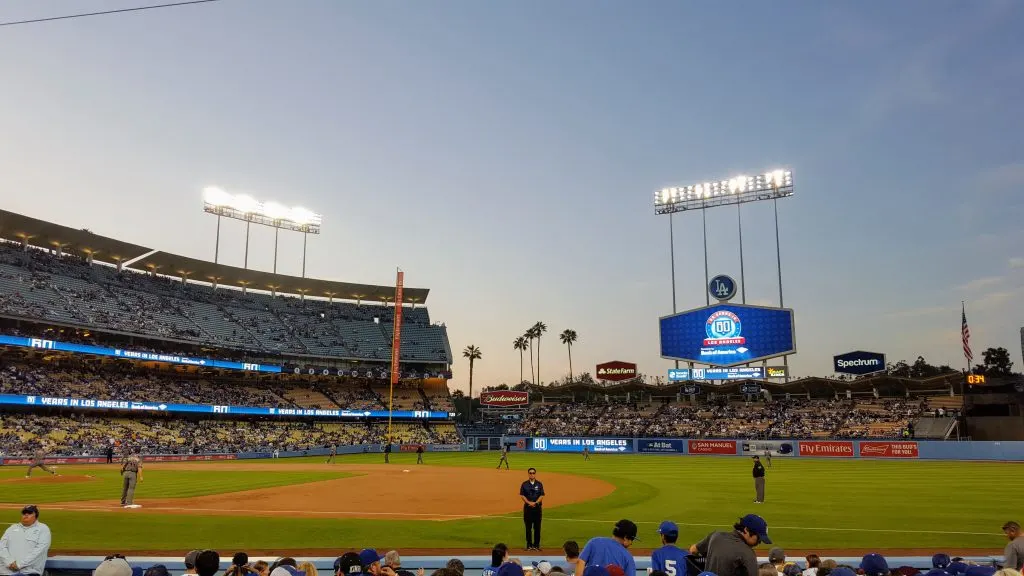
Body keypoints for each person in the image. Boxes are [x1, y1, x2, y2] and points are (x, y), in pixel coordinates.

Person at [688, 514, 771, 576]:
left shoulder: (716, 535)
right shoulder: (748, 553)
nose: (759, 542)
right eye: (758, 538)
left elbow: (693, 550)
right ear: (746, 530)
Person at [0, 505, 51, 576]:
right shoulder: (12, 528)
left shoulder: (43, 529)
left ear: (36, 516)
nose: (26, 515)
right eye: (24, 513)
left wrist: (19, 564)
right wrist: (9, 562)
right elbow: (1, 547)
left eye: (29, 513)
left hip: (28, 572)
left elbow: (39, 551)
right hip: (6, 571)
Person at [521, 467, 545, 551]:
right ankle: (529, 545)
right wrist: (529, 502)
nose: (532, 474)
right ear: (528, 474)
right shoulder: (524, 484)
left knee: (537, 528)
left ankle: (536, 545)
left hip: (537, 509)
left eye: (533, 473)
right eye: (530, 473)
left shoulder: (539, 484)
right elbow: (522, 495)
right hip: (528, 509)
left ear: (535, 474)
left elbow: (542, 495)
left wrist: (536, 503)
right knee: (528, 528)